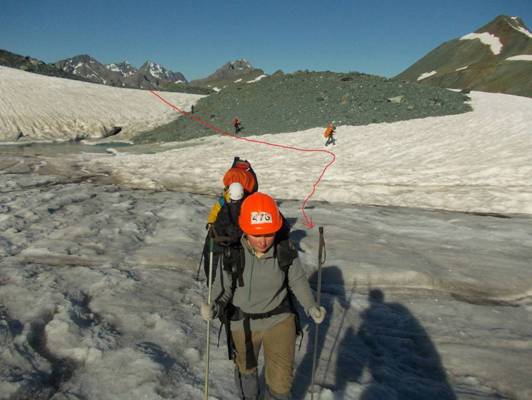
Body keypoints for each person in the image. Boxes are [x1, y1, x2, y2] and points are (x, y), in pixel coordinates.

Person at [201, 192, 326, 399]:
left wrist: (311, 306)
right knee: (246, 374)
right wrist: (213, 306)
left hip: (279, 321)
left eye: (268, 234)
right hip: (243, 324)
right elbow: (222, 289)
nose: (262, 241)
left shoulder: (284, 249)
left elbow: (297, 281)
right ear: (245, 230)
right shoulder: (233, 254)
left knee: (280, 381)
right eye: (256, 234)